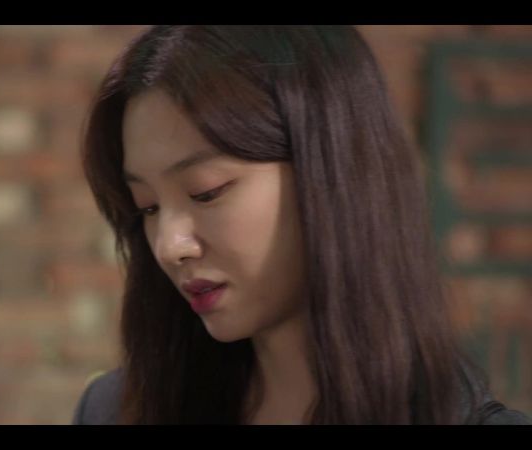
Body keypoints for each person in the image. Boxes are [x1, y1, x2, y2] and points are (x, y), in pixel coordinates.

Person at [72, 25, 531, 425]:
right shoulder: (116, 411)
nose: (171, 246)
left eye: (206, 191)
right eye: (148, 207)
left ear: (329, 173)